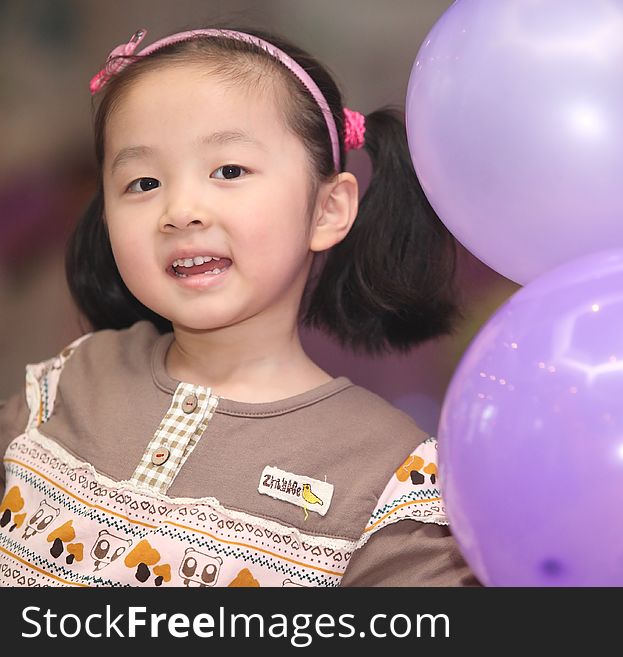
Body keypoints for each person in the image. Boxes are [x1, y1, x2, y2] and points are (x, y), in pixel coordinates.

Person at [0, 25, 480, 587]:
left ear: (328, 209)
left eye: (229, 171)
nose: (181, 210)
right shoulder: (69, 379)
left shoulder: (392, 474)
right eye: (143, 182)